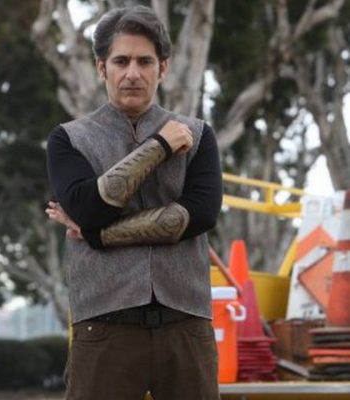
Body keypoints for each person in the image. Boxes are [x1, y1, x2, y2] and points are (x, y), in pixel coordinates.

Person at [46, 5, 222, 400]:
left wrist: (99, 235)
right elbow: (88, 208)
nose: (132, 73)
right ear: (101, 67)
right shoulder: (68, 139)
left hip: (186, 327)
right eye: (121, 61)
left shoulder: (199, 135)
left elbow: (201, 214)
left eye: (145, 61)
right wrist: (160, 146)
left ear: (163, 68)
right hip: (103, 329)